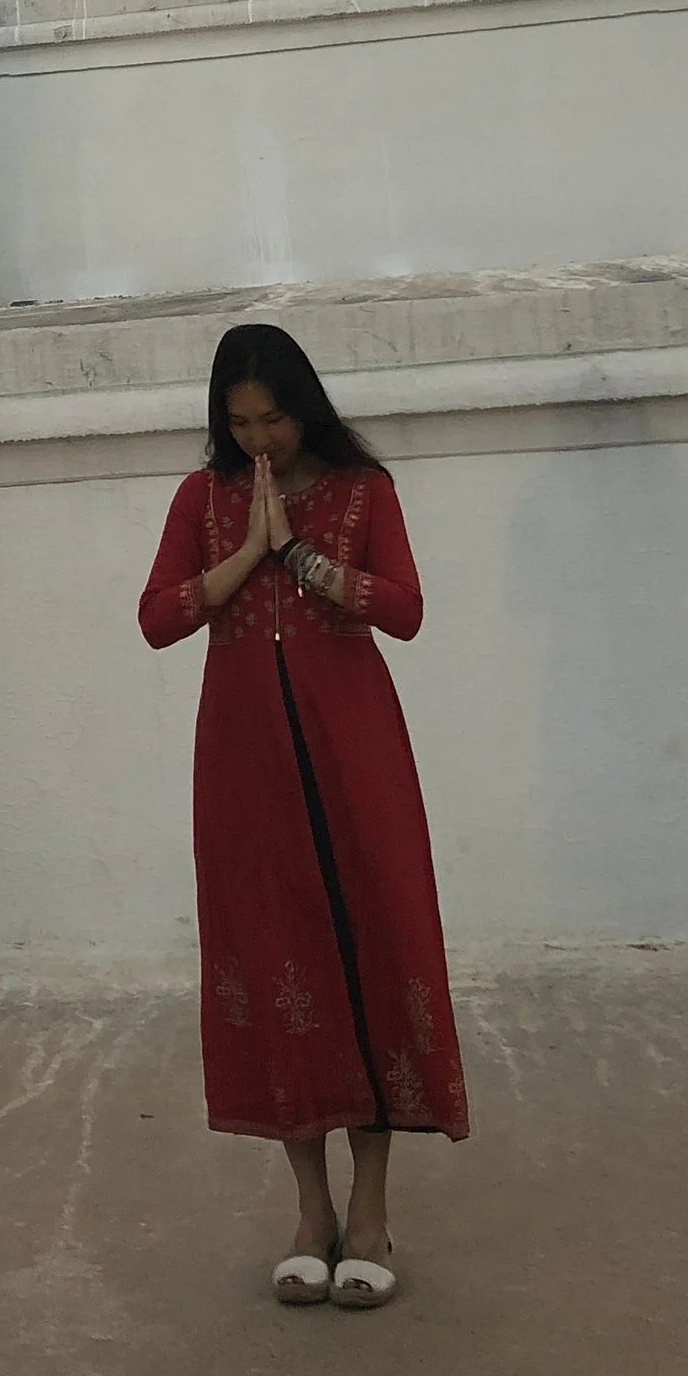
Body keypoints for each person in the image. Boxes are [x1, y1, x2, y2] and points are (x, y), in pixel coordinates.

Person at [138, 322, 468, 1310]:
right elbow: (157, 619)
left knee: (370, 952)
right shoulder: (202, 499)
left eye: (273, 418)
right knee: (278, 958)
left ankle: (369, 1210)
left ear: (304, 406)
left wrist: (309, 563)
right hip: (243, 769)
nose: (256, 441)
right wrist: (249, 552)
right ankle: (309, 1211)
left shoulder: (364, 492)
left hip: (354, 756)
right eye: (236, 423)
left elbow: (405, 610)